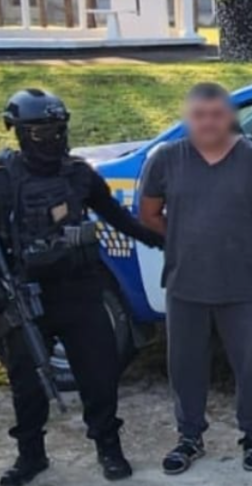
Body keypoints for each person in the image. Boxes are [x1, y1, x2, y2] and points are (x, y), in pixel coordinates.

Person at [0, 89, 162, 486]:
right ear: (19, 132)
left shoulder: (78, 173)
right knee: (27, 384)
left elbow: (116, 217)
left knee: (99, 376)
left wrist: (160, 240)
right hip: (27, 295)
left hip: (81, 291)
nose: (54, 139)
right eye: (42, 132)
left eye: (59, 129)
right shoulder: (5, 178)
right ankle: (31, 456)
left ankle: (109, 448)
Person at [138, 83, 252, 475]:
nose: (208, 122)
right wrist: (185, 240)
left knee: (250, 364)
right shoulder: (166, 159)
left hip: (242, 285)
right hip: (185, 283)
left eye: (216, 114)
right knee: (185, 366)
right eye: (199, 115)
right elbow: (149, 213)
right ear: (188, 118)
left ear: (229, 117)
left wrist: (242, 242)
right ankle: (189, 436)